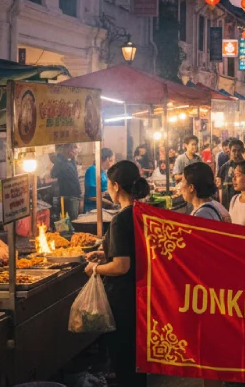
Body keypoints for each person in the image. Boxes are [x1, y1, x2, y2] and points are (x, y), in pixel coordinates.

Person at [84, 161, 149, 387]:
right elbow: (132, 251)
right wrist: (106, 254)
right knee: (136, 362)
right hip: (139, 296)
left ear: (115, 185)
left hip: (123, 300)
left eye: (108, 186)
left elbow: (121, 266)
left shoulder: (121, 219)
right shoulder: (141, 212)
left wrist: (95, 269)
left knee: (124, 363)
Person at [84, 148, 115, 213]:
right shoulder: (93, 170)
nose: (113, 163)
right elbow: (92, 196)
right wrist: (111, 203)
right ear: (107, 159)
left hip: (102, 207)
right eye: (112, 160)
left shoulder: (103, 172)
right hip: (92, 209)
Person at [216, 139, 244, 210]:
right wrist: (221, 206)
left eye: (239, 150)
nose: (236, 153)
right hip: (227, 206)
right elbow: (220, 188)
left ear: (242, 151)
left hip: (243, 205)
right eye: (234, 151)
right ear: (229, 151)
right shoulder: (224, 168)